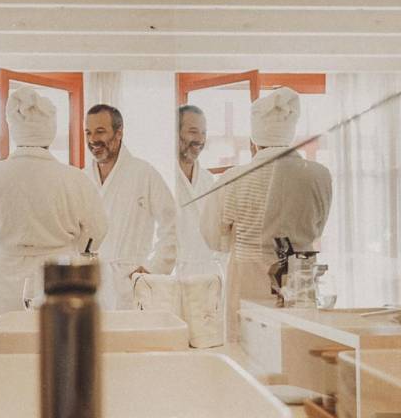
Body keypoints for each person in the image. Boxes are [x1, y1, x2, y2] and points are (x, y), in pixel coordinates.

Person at [200, 87, 332, 341]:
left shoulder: (233, 179)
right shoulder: (319, 175)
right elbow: (318, 228)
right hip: (299, 278)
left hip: (248, 282)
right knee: (296, 348)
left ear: (254, 142)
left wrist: (242, 238)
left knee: (248, 350)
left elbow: (213, 238)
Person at [0, 87, 107, 321]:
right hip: (60, 278)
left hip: (7, 279)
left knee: (8, 339)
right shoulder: (75, 179)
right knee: (58, 340)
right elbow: (97, 231)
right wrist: (71, 244)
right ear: (50, 131)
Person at [84, 104, 177, 309]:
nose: (92, 139)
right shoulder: (82, 178)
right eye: (88, 132)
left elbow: (173, 225)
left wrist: (152, 269)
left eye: (100, 131)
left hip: (132, 283)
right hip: (91, 285)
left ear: (119, 133)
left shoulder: (144, 173)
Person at [175, 105, 219, 265]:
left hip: (205, 271)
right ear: (175, 133)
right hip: (169, 272)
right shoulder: (161, 175)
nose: (200, 139)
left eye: (204, 133)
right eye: (193, 131)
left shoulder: (208, 179)